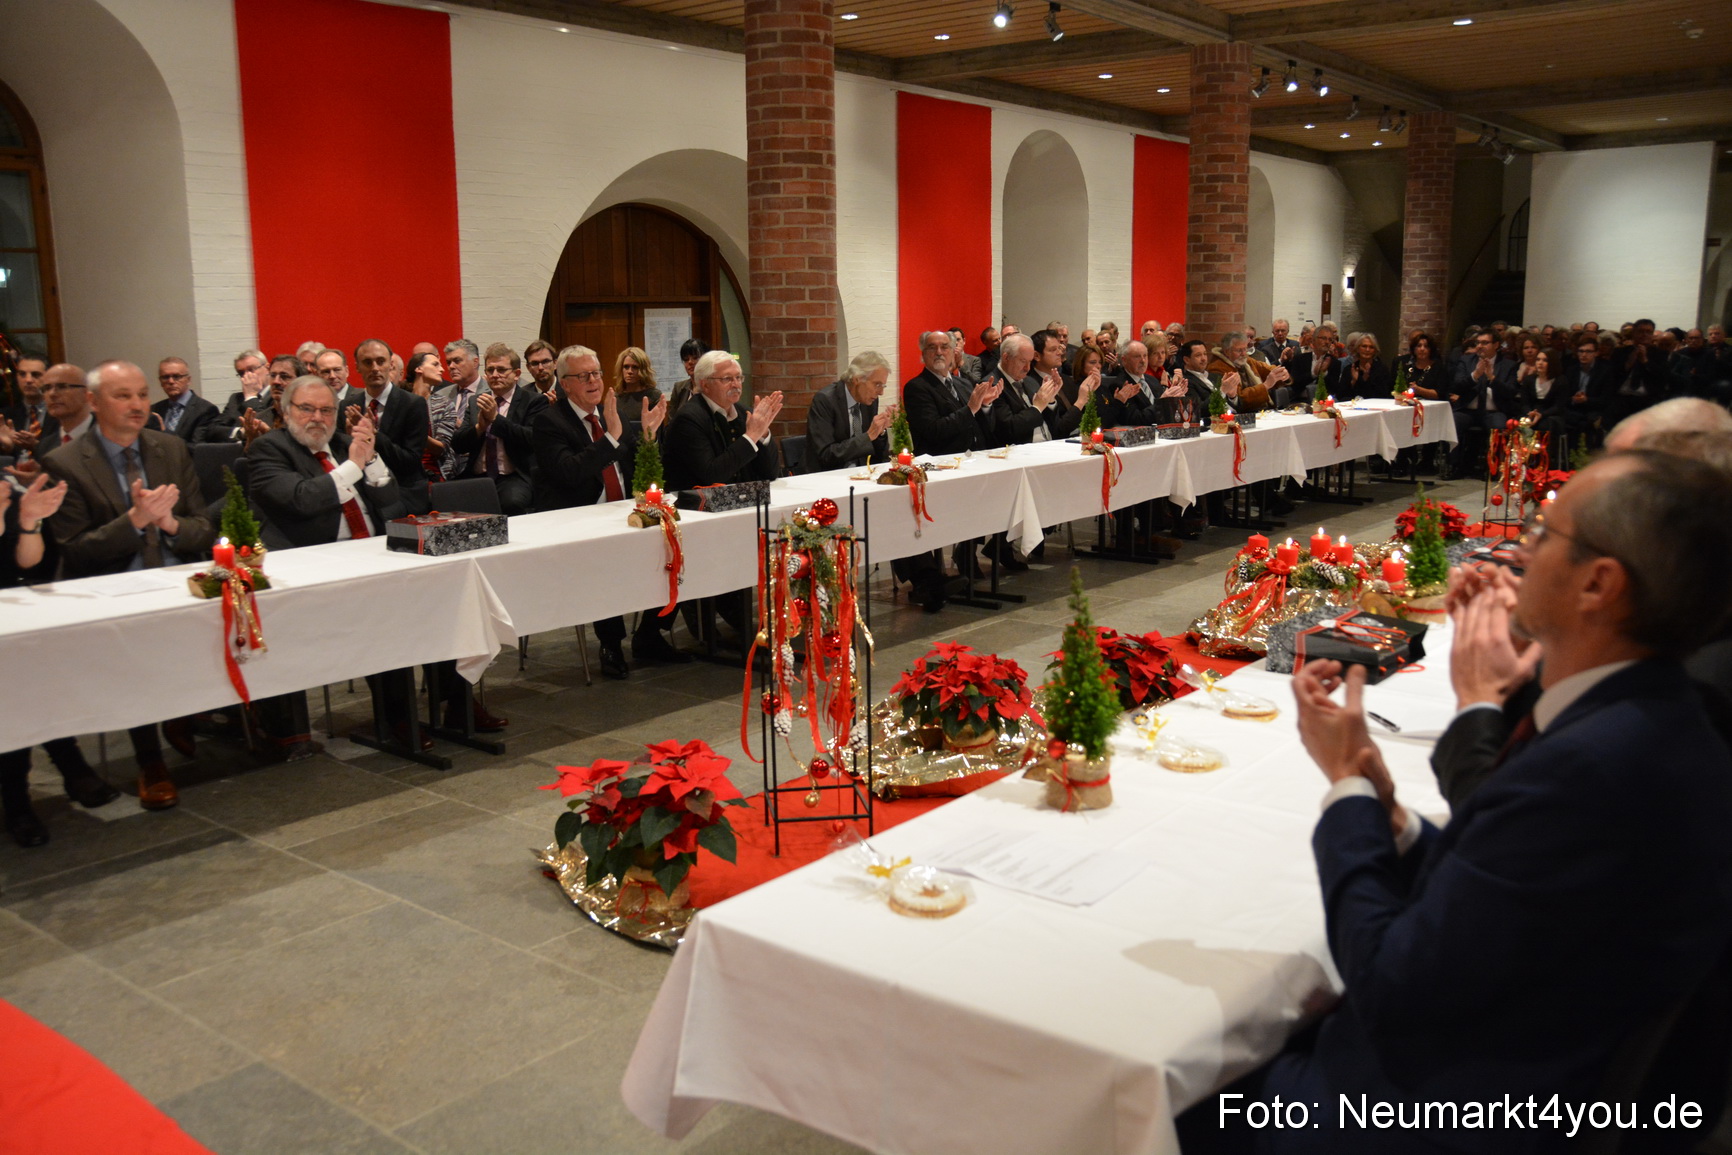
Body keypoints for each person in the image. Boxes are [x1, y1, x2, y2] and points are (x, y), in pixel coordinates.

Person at [1181, 449, 1732, 1155]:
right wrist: (1395, 817)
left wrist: (1346, 782)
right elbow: (1505, 882)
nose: (1523, 550)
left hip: (1448, 1109)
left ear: (1599, 582)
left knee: (1155, 1087)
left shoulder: (1590, 767)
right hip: (1536, 1063)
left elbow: (1386, 983)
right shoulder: (1657, 717)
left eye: (1545, 532)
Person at [45, 361, 216, 810]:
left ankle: (191, 712)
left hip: (180, 576)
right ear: (94, 402)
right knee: (141, 646)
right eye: (123, 396)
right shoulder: (65, 462)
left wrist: (170, 524)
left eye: (142, 394)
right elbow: (75, 551)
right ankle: (149, 761)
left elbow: (201, 526)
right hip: (115, 587)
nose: (138, 404)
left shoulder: (170, 448)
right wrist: (135, 521)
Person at [247, 376, 438, 750]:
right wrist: (353, 464)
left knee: (437, 600)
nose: (317, 418)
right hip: (311, 568)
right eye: (307, 409)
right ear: (286, 412)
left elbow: (390, 500)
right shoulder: (269, 449)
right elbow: (302, 498)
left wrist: (373, 455)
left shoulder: (341, 443)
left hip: (371, 556)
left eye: (326, 410)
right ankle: (397, 718)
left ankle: (442, 707)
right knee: (380, 614)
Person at [532, 345, 679, 677]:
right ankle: (610, 645)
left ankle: (650, 633)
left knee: (676, 546)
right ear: (564, 383)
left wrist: (649, 437)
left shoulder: (609, 415)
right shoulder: (549, 422)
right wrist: (612, 439)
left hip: (623, 512)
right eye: (583, 376)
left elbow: (636, 467)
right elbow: (569, 472)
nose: (593, 381)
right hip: (576, 520)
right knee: (605, 559)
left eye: (597, 373)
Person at [0, 471, 121, 846]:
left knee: (30, 672)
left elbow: (27, 564)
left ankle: (68, 767)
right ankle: (20, 798)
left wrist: (29, 522)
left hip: (9, 615)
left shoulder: (6, 487)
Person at [662, 350, 781, 640]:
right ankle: (705, 622)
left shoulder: (740, 414)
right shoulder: (689, 418)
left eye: (738, 378)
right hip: (691, 514)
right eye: (726, 378)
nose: (736, 385)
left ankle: (736, 619)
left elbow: (770, 473)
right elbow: (712, 473)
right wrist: (750, 438)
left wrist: (762, 435)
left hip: (729, 510)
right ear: (704, 384)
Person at [448, 342, 547, 516]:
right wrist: (480, 427)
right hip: (477, 475)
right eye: (490, 370)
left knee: (512, 502)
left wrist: (495, 419)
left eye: (501, 370)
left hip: (514, 475)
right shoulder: (477, 401)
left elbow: (532, 439)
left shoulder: (533, 401)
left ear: (516, 374)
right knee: (448, 501)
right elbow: (458, 444)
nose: (495, 375)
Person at [350, 339, 431, 513]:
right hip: (362, 489)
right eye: (367, 362)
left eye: (380, 361)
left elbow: (411, 461)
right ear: (357, 367)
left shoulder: (412, 404)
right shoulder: (349, 405)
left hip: (404, 490)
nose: (375, 368)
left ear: (390, 365)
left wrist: (374, 435)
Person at [904, 329, 999, 458]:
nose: (939, 352)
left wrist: (985, 405)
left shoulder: (964, 384)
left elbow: (983, 426)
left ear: (953, 352)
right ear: (923, 354)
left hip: (974, 459)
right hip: (941, 463)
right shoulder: (916, 387)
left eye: (944, 347)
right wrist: (971, 408)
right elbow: (933, 431)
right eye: (932, 348)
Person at [1445, 329, 1518, 479]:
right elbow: (1456, 385)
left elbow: (1510, 392)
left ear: (1496, 345)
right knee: (1453, 421)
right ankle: (1453, 466)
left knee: (1498, 426)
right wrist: (1475, 375)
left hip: (1493, 410)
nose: (1480, 346)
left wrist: (1492, 378)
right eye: (1478, 342)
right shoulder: (1466, 361)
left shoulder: (1508, 365)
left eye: (1485, 343)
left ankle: (1492, 468)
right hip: (1468, 409)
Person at [991, 329, 1084, 446]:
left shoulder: (1029, 381)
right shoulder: (992, 385)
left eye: (1030, 362)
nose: (1027, 368)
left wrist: (1050, 401)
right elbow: (1009, 429)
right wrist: (1038, 406)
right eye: (1023, 361)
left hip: (1049, 444)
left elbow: (1055, 427)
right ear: (1006, 357)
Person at [405, 351, 457, 482]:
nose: (442, 369)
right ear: (419, 368)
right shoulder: (400, 401)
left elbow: (442, 448)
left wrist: (416, 432)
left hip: (434, 471)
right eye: (435, 364)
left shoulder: (444, 404)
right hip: (404, 468)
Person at [1207, 331, 1286, 410]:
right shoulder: (1218, 368)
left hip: (1262, 411)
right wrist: (1266, 385)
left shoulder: (1247, 361)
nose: (1244, 353)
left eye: (1245, 349)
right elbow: (1239, 399)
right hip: (1243, 414)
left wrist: (1281, 373)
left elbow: (1266, 368)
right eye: (1239, 350)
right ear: (1227, 352)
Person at [149, 357, 222, 443]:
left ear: (188, 380)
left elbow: (197, 449)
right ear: (160, 381)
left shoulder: (205, 410)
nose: (171, 381)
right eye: (165, 377)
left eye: (176, 376)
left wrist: (165, 432)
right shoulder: (154, 410)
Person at [612, 346, 662, 431]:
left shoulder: (654, 396)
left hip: (646, 442)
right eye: (626, 367)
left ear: (643, 370)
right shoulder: (616, 398)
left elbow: (659, 432)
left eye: (635, 367)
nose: (630, 371)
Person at [1335, 333, 1390, 403]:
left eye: (1371, 347)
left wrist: (1361, 380)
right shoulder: (1349, 369)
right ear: (1357, 348)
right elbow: (1340, 396)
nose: (1367, 350)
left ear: (1375, 351)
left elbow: (1383, 395)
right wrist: (1353, 382)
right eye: (1364, 346)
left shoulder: (1382, 370)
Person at [665, 338, 710, 418]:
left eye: (695, 358)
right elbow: (671, 422)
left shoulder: (714, 387)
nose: (690, 362)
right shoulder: (678, 388)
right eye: (686, 359)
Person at [312, 349, 361, 417]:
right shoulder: (311, 401)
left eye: (337, 370)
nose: (332, 376)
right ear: (316, 375)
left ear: (346, 371)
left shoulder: (362, 396)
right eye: (326, 372)